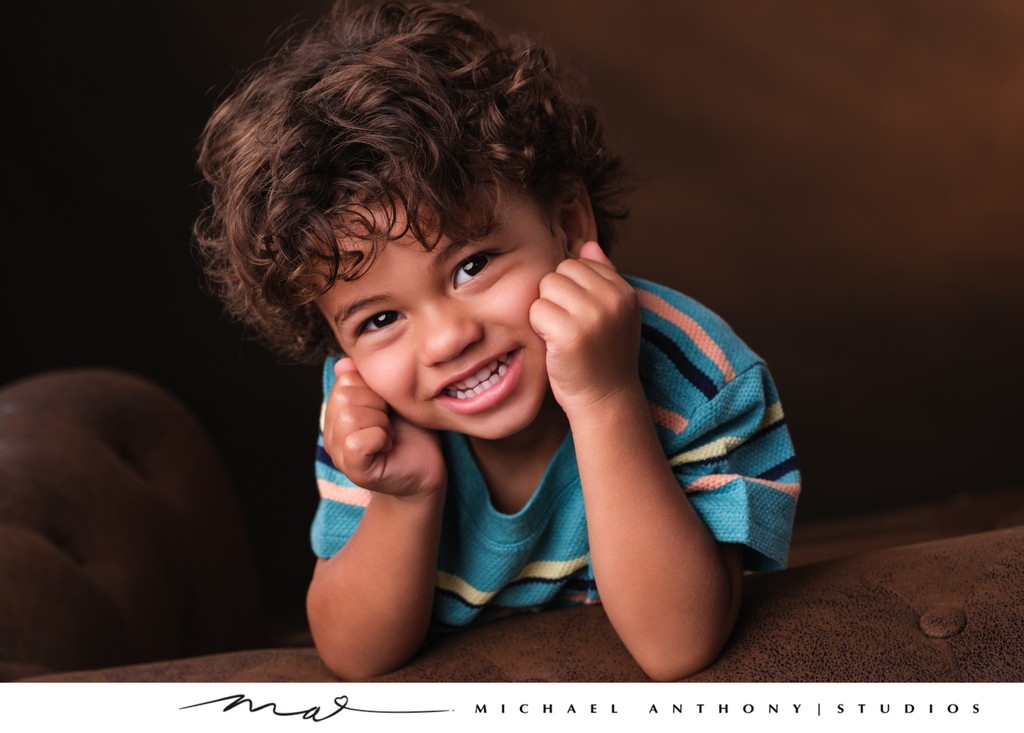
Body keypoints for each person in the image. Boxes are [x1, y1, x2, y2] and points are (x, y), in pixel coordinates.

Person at [194, 0, 800, 681]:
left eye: (472, 265)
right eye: (379, 319)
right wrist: (405, 495)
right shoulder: (371, 408)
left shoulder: (695, 371)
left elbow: (679, 644)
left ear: (567, 221)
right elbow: (352, 655)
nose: (448, 337)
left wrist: (605, 398)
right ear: (339, 343)